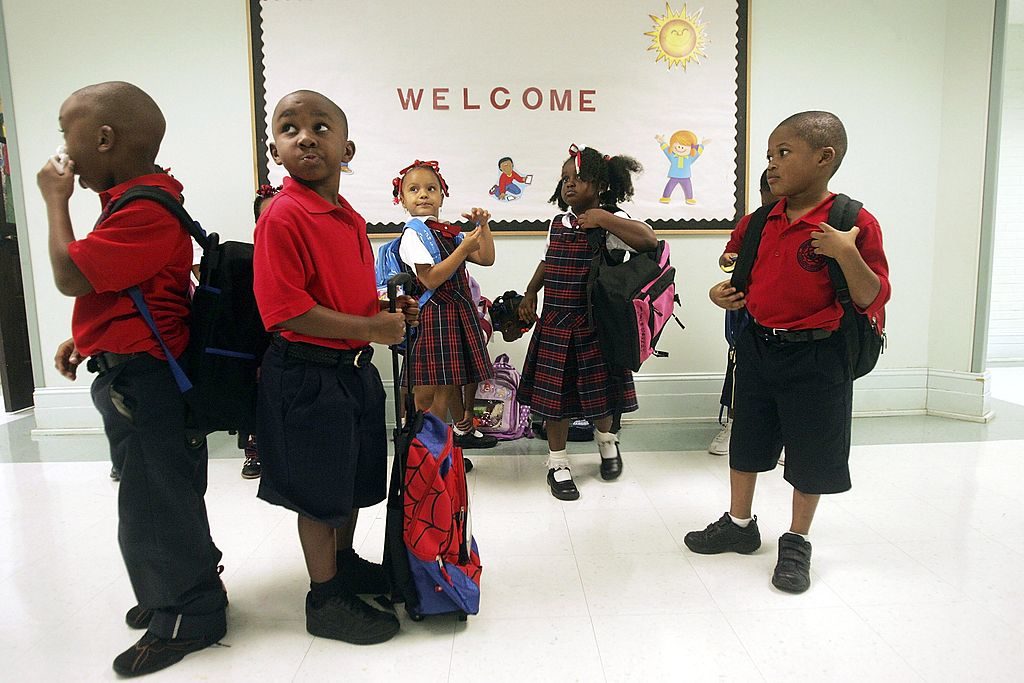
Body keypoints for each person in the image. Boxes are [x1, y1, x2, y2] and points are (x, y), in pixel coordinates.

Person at [38, 81, 227, 676]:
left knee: (150, 502)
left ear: (103, 139)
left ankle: (187, 613)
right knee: (156, 492)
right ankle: (180, 586)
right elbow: (125, 288)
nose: (62, 150)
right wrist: (87, 339)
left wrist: (53, 200)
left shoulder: (144, 209)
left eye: (65, 135)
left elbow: (72, 275)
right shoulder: (133, 200)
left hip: (146, 380)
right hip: (135, 371)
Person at [684, 111, 890, 594]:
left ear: (824, 159)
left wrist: (845, 252)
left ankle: (796, 540)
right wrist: (723, 293)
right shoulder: (760, 220)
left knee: (813, 450)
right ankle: (739, 524)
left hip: (820, 355)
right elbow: (740, 274)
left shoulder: (853, 222)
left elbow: (871, 296)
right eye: (770, 155)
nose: (772, 166)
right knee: (748, 440)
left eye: (784, 154)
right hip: (758, 345)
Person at [252, 90, 418, 644]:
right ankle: (324, 600)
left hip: (350, 370)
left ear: (346, 147)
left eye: (320, 127)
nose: (305, 137)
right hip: (306, 374)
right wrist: (372, 329)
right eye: (289, 128)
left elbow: (345, 296)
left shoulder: (348, 217)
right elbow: (286, 310)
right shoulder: (283, 214)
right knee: (321, 493)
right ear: (275, 149)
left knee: (346, 480)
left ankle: (343, 566)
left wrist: (382, 311)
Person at [518, 144, 657, 500]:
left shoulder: (612, 219)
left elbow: (648, 241)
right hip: (555, 323)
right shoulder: (558, 224)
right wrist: (531, 291)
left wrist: (605, 219)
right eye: (565, 178)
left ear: (600, 185)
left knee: (601, 397)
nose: (569, 184)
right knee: (555, 400)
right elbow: (549, 262)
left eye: (578, 178)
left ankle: (607, 442)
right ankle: (558, 462)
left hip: (595, 325)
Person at [392, 160, 497, 453]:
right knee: (426, 392)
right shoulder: (413, 233)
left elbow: (486, 258)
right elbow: (430, 278)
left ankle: (440, 452)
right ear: (402, 200)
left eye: (430, 188)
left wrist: (483, 226)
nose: (423, 194)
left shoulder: (448, 232)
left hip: (453, 314)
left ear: (442, 194)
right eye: (413, 189)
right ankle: (424, 454)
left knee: (447, 386)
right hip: (432, 316)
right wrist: (463, 250)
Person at [708, 169, 775, 457]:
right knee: (740, 369)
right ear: (762, 194)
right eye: (769, 193)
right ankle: (734, 424)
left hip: (789, 318)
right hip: (747, 310)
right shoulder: (751, 223)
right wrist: (728, 260)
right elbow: (727, 256)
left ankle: (782, 434)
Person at [655, 130, 708, 205]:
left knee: (688, 188)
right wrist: (662, 142)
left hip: (685, 176)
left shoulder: (689, 158)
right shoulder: (672, 156)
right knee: (669, 186)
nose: (680, 148)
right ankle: (665, 197)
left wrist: (702, 145)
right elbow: (666, 150)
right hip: (674, 175)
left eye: (684, 146)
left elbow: (697, 154)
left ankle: (689, 198)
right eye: (678, 146)